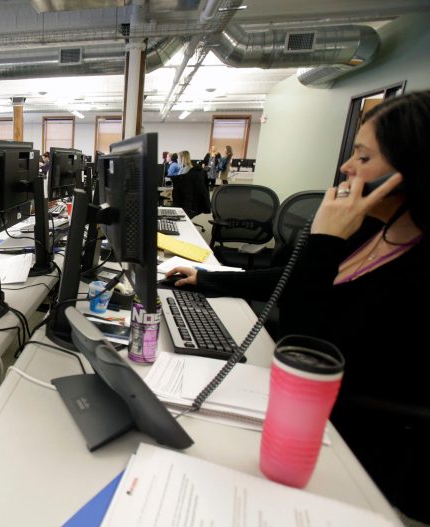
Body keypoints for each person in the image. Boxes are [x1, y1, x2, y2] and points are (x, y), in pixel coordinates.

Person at [164, 90, 430, 522]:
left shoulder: (417, 270)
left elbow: (305, 336)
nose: (346, 166)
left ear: (411, 172)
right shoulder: (376, 232)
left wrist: (324, 239)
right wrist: (210, 279)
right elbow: (290, 282)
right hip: (306, 412)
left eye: (363, 158)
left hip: (355, 448)